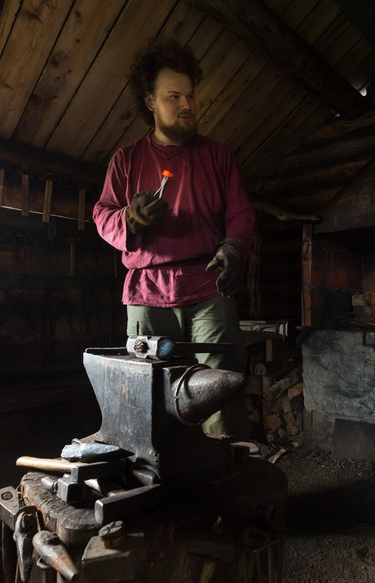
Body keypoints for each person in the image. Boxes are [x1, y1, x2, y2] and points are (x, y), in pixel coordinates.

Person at [92, 38, 255, 438]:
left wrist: (234, 247)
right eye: (173, 96)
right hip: (147, 294)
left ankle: (226, 466)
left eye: (190, 96)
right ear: (150, 101)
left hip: (208, 288)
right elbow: (102, 214)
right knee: (149, 402)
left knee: (220, 395)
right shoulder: (126, 159)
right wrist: (129, 219)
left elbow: (240, 213)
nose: (187, 105)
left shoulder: (217, 156)